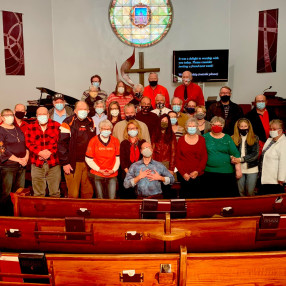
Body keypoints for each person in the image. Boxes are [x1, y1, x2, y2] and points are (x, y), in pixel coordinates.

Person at [58, 101, 96, 198]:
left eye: (84, 109)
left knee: (88, 192)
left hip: (88, 163)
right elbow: (62, 144)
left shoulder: (91, 122)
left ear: (88, 111)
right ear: (75, 111)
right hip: (72, 163)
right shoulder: (67, 122)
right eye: (80, 109)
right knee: (73, 193)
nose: (82, 111)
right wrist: (65, 163)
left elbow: (94, 142)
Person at [26, 107, 61, 197]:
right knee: (38, 193)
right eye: (40, 114)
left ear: (48, 115)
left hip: (53, 163)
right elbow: (29, 143)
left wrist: (49, 152)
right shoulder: (30, 127)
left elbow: (60, 142)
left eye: (44, 114)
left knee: (55, 193)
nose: (42, 116)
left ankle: (54, 210)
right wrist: (40, 153)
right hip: (37, 164)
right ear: (36, 116)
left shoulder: (56, 125)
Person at [203, 116, 242, 198]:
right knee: (210, 197)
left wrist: (238, 170)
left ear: (223, 126)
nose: (217, 127)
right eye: (214, 124)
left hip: (226, 172)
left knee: (227, 198)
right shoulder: (205, 137)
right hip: (209, 172)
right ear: (210, 125)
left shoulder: (227, 138)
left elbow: (236, 154)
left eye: (220, 125)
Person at [0, 108, 29, 215]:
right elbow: (2, 150)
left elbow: (25, 145)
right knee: (6, 193)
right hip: (8, 167)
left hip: (21, 166)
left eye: (11, 114)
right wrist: (18, 159)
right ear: (2, 117)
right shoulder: (1, 130)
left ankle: (17, 214)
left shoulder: (17, 129)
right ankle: (5, 216)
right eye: (7, 115)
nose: (10, 117)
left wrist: (26, 158)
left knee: (19, 192)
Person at [85, 120, 120, 199]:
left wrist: (113, 170)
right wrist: (99, 170)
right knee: (99, 198)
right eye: (104, 129)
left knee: (112, 198)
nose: (106, 131)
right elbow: (88, 159)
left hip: (112, 174)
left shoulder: (115, 141)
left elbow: (117, 158)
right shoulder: (93, 141)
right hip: (98, 174)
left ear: (111, 130)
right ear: (100, 129)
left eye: (108, 129)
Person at [175, 118, 208, 198]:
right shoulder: (181, 140)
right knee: (185, 197)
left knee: (197, 197)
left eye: (193, 126)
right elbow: (177, 158)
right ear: (186, 128)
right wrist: (183, 173)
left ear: (197, 128)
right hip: (184, 175)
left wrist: (197, 171)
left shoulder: (201, 139)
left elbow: (204, 157)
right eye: (189, 126)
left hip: (198, 174)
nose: (191, 128)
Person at [231, 118, 259, 196]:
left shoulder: (255, 138)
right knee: (240, 192)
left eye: (245, 126)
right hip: (238, 169)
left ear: (249, 127)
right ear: (238, 127)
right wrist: (232, 158)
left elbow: (255, 154)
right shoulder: (232, 138)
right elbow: (230, 152)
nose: (243, 128)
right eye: (241, 126)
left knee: (250, 192)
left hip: (252, 169)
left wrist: (241, 159)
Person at [119, 120, 146, 198]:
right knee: (127, 197)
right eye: (130, 129)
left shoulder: (142, 142)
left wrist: (139, 175)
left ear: (138, 129)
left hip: (140, 174)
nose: (132, 130)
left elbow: (145, 159)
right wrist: (130, 174)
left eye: (134, 128)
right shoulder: (124, 143)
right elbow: (122, 161)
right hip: (127, 174)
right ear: (127, 131)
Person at [259, 119, 286, 195]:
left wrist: (281, 178)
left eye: (274, 129)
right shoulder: (270, 140)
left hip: (275, 180)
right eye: (270, 129)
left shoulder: (283, 143)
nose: (271, 131)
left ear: (280, 131)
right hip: (264, 177)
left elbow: (283, 162)